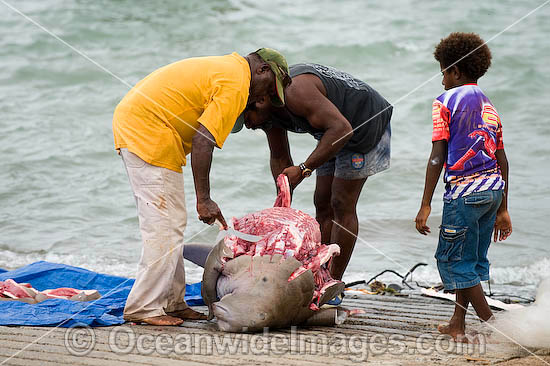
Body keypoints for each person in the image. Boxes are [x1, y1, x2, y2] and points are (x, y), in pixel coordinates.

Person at [112, 48, 290, 326]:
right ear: (262, 70)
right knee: (163, 225)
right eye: (269, 91)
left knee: (172, 222)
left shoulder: (231, 71)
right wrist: (204, 199)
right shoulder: (236, 84)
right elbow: (203, 140)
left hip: (147, 127)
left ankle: (171, 301)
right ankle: (144, 306)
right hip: (147, 130)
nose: (262, 100)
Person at [239, 63, 393, 281]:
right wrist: (283, 194)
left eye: (246, 119)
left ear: (260, 101)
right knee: (322, 202)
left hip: (363, 123)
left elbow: (342, 129)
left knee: (341, 203)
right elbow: (279, 156)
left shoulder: (295, 91)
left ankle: (333, 282)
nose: (247, 126)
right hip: (331, 128)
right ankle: (320, 273)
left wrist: (303, 169)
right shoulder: (267, 112)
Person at [415, 32, 513, 342]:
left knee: (453, 259)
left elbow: (437, 156)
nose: (442, 79)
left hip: (464, 194)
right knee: (469, 259)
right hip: (493, 192)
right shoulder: (490, 107)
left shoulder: (445, 101)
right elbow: (502, 159)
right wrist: (505, 208)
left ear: (455, 70)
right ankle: (458, 322)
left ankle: (494, 325)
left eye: (443, 71)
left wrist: (426, 203)